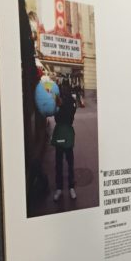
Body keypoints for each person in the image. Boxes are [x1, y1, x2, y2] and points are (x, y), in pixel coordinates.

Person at [52, 75, 77, 203]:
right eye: (63, 88)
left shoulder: (71, 101)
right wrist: (58, 104)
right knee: (58, 163)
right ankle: (59, 188)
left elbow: (71, 117)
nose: (65, 90)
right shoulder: (58, 100)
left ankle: (71, 187)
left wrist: (64, 105)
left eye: (66, 88)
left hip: (67, 132)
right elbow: (56, 117)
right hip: (60, 133)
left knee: (70, 162)